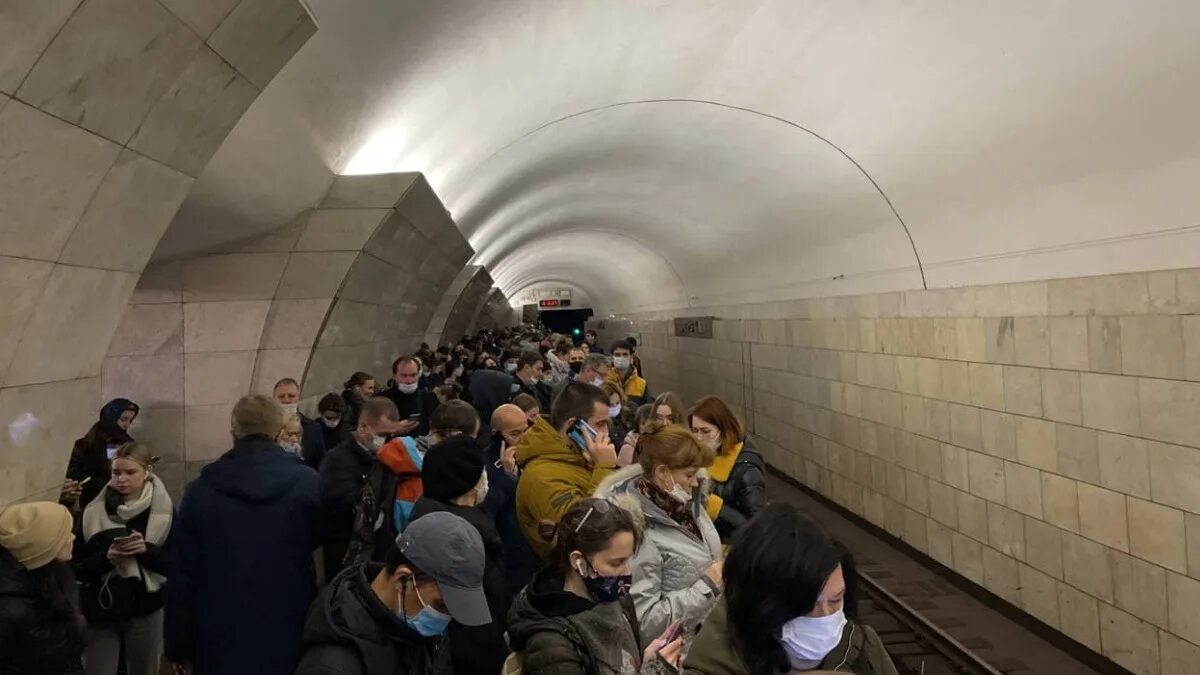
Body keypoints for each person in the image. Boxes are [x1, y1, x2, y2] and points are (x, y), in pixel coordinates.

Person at [164, 394, 322, 675]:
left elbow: (182, 575)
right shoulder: (308, 484)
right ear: (278, 432)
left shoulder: (200, 492)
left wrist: (176, 645)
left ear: (233, 432)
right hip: (288, 624)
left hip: (216, 631)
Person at [682, 505, 898, 675]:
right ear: (765, 607)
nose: (826, 619)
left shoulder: (863, 649)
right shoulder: (713, 664)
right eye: (807, 607)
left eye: (836, 600)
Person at [295, 512, 491, 675]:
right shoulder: (332, 666)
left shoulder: (414, 623)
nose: (444, 620)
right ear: (402, 579)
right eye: (440, 606)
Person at [507, 498, 683, 675]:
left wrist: (649, 661)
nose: (626, 571)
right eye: (616, 563)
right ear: (579, 561)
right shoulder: (550, 646)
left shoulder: (617, 600)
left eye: (628, 560)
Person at [594, 423, 722, 643]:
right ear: (662, 472)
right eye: (689, 475)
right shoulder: (634, 531)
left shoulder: (686, 504)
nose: (695, 483)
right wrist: (707, 586)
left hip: (707, 638)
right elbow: (643, 624)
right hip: (677, 655)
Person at [410, 436, 510, 675]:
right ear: (468, 483)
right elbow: (472, 627)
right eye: (482, 471)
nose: (486, 477)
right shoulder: (458, 542)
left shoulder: (435, 516)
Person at [77, 443, 172, 675]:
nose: (122, 479)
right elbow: (77, 567)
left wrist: (146, 551)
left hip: (145, 607)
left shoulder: (164, 511)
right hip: (102, 609)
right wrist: (107, 558)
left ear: (147, 472)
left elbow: (177, 564)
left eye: (130, 472)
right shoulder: (94, 510)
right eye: (116, 472)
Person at [515, 381, 618, 561]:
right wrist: (604, 468)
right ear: (573, 426)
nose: (606, 432)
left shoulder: (580, 458)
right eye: (600, 424)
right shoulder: (541, 477)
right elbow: (584, 531)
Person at [0, 502, 85, 674]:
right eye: (65, 534)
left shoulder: (57, 574)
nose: (73, 537)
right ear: (44, 546)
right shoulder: (11, 608)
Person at [320, 398, 400, 579]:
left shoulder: (385, 459)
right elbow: (338, 506)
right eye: (383, 434)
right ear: (364, 427)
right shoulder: (337, 461)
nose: (387, 440)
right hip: (344, 554)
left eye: (391, 435)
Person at [688, 397, 767, 539]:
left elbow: (757, 527)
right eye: (694, 430)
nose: (698, 438)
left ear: (723, 430)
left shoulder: (746, 470)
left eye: (705, 431)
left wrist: (716, 508)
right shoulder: (698, 459)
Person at [485, 404, 538, 593]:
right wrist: (508, 479)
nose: (523, 438)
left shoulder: (535, 454)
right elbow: (488, 510)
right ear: (496, 435)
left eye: (526, 430)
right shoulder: (486, 468)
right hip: (509, 558)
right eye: (515, 434)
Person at [65, 399, 139, 511]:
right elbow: (76, 475)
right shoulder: (86, 445)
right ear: (111, 418)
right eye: (123, 419)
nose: (126, 424)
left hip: (125, 503)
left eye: (130, 420)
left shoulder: (129, 444)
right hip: (93, 503)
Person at [376, 356, 439, 437]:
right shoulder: (380, 400)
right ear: (394, 376)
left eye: (413, 375)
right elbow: (369, 429)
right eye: (404, 376)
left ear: (419, 375)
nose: (409, 381)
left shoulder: (429, 398)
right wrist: (392, 429)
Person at [274, 378, 327, 470]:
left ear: (298, 399)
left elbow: (320, 463)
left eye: (291, 396)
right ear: (274, 399)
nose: (286, 400)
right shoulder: (264, 427)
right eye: (281, 396)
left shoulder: (313, 428)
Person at [608, 340, 650, 406]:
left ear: (631, 357)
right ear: (612, 358)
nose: (621, 358)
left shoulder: (641, 383)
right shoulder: (605, 380)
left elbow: (644, 410)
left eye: (625, 354)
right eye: (617, 355)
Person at [601, 381, 634, 449]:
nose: (615, 407)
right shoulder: (600, 425)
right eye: (611, 405)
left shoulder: (628, 414)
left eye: (617, 403)